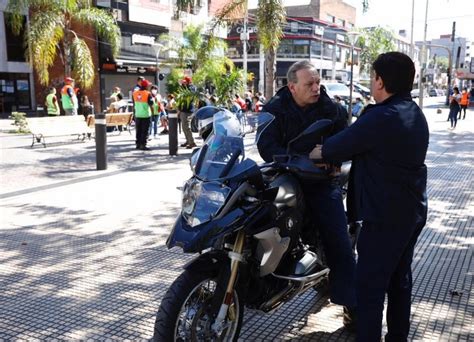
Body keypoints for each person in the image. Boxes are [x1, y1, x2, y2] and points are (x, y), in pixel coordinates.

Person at [310, 52, 429, 342]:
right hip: (412, 211)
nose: (372, 81)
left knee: (369, 289)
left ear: (380, 81)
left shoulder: (380, 116)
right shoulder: (412, 111)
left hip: (384, 217)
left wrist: (317, 152)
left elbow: (335, 147)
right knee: (399, 281)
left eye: (373, 76)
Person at [257, 60, 356, 325]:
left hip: (320, 182)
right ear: (292, 87)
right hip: (284, 176)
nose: (316, 88)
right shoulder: (275, 108)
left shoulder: (332, 110)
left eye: (317, 82)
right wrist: (297, 158)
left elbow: (347, 141)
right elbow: (265, 145)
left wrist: (330, 157)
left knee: (339, 240)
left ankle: (352, 304)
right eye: (309, 84)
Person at [133, 79, 154, 150]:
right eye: (148, 85)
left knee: (138, 130)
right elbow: (151, 104)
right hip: (145, 114)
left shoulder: (135, 93)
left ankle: (138, 144)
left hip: (138, 114)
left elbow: (134, 103)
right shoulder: (148, 93)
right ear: (146, 86)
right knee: (145, 130)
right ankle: (143, 145)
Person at [178, 76, 196, 149]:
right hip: (183, 110)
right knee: (184, 127)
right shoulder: (184, 87)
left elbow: (189, 95)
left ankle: (191, 142)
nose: (184, 83)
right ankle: (188, 140)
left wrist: (185, 86)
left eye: (185, 82)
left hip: (188, 110)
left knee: (187, 127)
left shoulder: (191, 88)